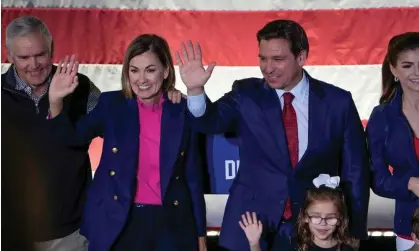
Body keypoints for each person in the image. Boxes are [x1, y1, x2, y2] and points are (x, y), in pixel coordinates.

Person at [176, 19, 370, 250]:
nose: (268, 68)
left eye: (277, 59)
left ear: (301, 57)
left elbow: (355, 170)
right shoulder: (246, 94)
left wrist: (355, 229)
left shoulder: (338, 102)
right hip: (250, 225)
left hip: (314, 231)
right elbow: (210, 121)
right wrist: (196, 91)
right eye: (263, 58)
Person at [46, 34, 207, 251]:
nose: (141, 79)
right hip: (118, 221)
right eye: (134, 70)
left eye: (150, 70)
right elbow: (70, 139)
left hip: (170, 225)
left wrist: (200, 234)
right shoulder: (111, 105)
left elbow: (192, 177)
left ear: (166, 71)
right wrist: (55, 100)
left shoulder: (180, 109)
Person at [2, 15, 100, 251]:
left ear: (52, 49)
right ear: (10, 57)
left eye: (40, 54)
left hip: (72, 232)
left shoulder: (82, 87)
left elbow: (121, 127)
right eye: (24, 57)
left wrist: (163, 96)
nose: (34, 64)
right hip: (13, 232)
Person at [366, 31, 419, 251]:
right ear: (393, 69)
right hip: (409, 226)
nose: (417, 73)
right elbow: (377, 178)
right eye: (407, 66)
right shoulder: (382, 117)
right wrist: (409, 184)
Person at [239, 174, 354, 251]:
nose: (322, 223)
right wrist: (254, 244)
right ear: (305, 217)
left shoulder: (347, 249)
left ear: (340, 219)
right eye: (316, 216)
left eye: (330, 217)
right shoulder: (293, 245)